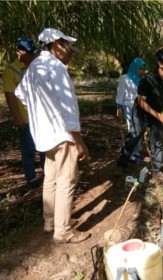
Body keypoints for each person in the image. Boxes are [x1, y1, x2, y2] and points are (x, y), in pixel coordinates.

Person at [15, 28, 90, 244]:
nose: (70, 53)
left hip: (44, 135)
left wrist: (38, 111)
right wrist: (79, 141)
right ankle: (63, 230)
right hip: (62, 134)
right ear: (56, 44)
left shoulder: (34, 67)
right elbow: (68, 108)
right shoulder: (55, 67)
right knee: (66, 180)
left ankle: (50, 222)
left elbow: (20, 94)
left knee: (51, 179)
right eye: (68, 48)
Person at [116, 49, 163, 182]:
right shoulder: (147, 79)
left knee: (158, 142)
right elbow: (141, 101)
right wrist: (158, 115)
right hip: (140, 113)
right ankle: (121, 164)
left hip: (156, 114)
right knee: (133, 137)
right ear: (161, 64)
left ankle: (156, 171)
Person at [3, 38, 45, 187]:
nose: (32, 55)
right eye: (29, 53)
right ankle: (32, 178)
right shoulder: (11, 71)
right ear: (19, 51)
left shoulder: (36, 66)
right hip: (26, 118)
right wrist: (17, 118)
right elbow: (10, 96)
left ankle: (47, 174)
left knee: (44, 148)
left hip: (41, 116)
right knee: (28, 150)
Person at [116, 57, 146, 163]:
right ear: (134, 68)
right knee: (132, 130)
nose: (141, 71)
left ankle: (136, 151)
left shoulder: (142, 80)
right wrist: (119, 107)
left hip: (139, 108)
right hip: (128, 107)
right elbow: (120, 93)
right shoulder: (125, 78)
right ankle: (131, 152)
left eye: (143, 69)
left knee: (139, 129)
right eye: (140, 69)